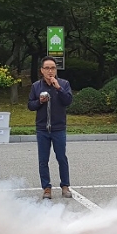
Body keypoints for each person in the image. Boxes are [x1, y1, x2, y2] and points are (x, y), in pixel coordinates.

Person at [27, 56, 74, 199]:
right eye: (47, 68)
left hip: (59, 128)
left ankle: (65, 186)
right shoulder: (36, 86)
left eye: (53, 68)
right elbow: (30, 105)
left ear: (56, 70)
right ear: (42, 70)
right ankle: (46, 188)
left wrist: (58, 88)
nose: (50, 71)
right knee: (43, 160)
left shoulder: (63, 84)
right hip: (42, 129)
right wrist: (39, 102)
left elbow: (68, 101)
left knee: (61, 157)